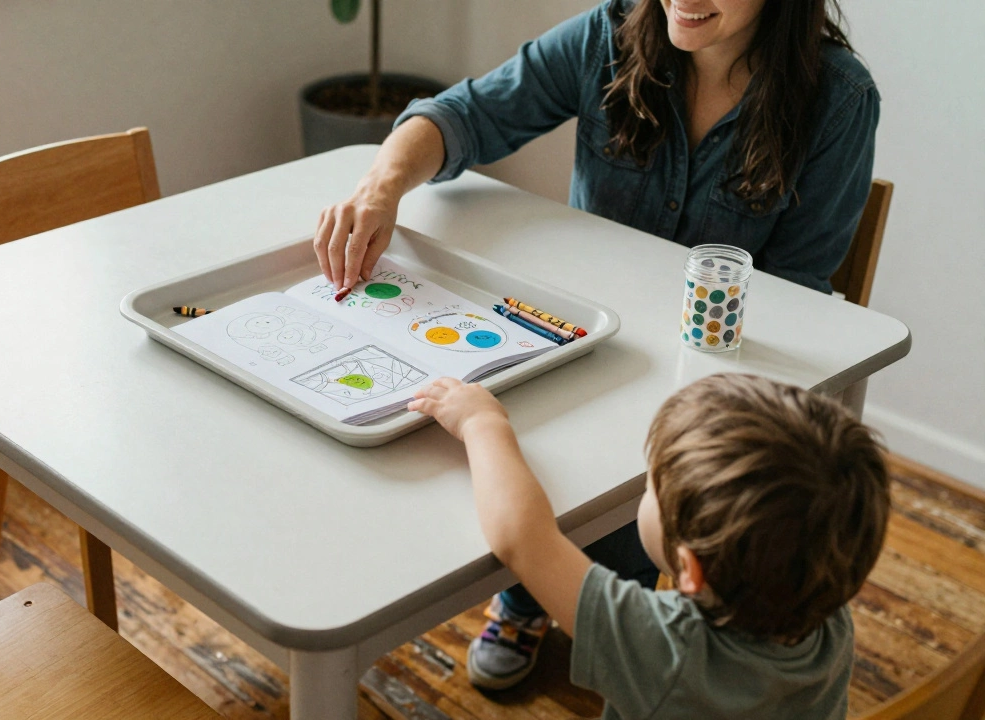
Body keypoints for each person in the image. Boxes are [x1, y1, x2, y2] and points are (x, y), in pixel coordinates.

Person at [314, 0, 879, 688]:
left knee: (599, 490)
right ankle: (552, 593)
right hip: (585, 348)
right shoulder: (609, 33)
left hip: (713, 377)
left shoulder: (838, 98)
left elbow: (797, 296)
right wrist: (381, 187)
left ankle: (573, 592)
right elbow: (465, 114)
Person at [408, 373, 889, 718]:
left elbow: (522, 538)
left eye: (654, 486)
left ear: (690, 568)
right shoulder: (825, 611)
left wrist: (482, 424)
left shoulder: (664, 652)